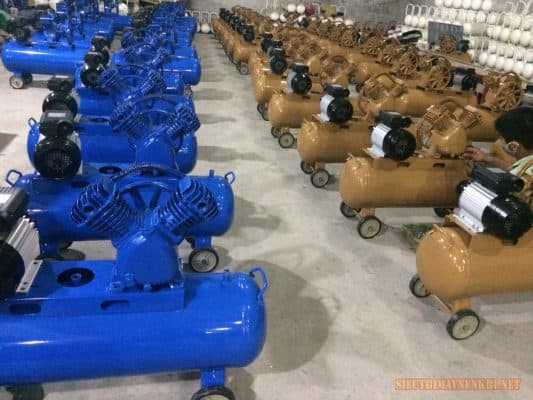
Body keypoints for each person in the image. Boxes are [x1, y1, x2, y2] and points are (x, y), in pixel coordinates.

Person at [464, 106, 533, 205]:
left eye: (501, 138)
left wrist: (477, 175)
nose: (499, 141)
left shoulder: (519, 179)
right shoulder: (526, 167)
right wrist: (489, 159)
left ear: (513, 146)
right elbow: (514, 168)